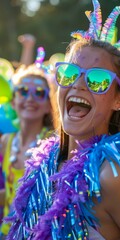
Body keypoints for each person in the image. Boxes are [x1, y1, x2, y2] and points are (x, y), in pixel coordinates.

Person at [6, 0, 120, 239]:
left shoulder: (111, 173)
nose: (78, 84)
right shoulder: (43, 163)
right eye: (69, 73)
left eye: (97, 80)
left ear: (119, 100)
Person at [0, 47, 56, 239]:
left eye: (39, 93)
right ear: (13, 101)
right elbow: (9, 194)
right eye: (23, 91)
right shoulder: (6, 141)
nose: (30, 98)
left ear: (50, 105)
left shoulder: (52, 146)